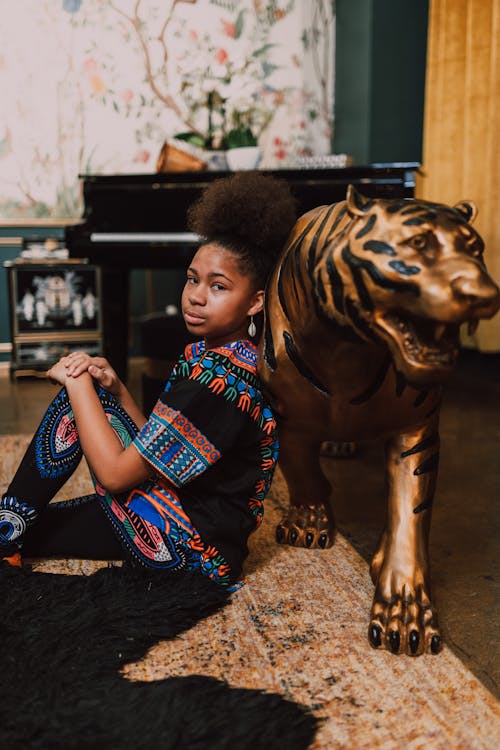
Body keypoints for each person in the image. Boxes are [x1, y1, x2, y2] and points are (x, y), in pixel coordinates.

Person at [0, 172, 297, 590]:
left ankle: (5, 535)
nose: (196, 295)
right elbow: (155, 444)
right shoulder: (212, 355)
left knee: (77, 401)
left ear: (255, 301)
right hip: (177, 512)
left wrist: (76, 381)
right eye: (193, 279)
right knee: (37, 524)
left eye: (219, 286)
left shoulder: (217, 383)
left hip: (194, 551)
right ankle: (8, 532)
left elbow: (117, 476)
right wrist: (116, 388)